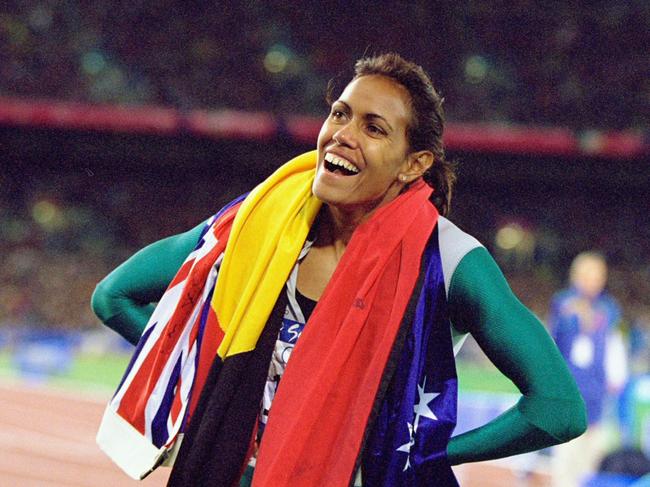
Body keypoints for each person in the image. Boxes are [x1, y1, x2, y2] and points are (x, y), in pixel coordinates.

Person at [92, 53, 586, 487]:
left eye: (374, 128)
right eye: (340, 114)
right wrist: (208, 382)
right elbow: (113, 296)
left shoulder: (450, 260)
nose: (343, 135)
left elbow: (558, 409)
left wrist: (417, 453)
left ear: (413, 164)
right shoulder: (260, 222)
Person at [550, 251, 627, 487]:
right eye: (588, 275)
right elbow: (554, 344)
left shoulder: (608, 307)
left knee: (591, 466)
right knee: (565, 465)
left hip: (597, 396)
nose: (593, 281)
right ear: (576, 276)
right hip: (569, 395)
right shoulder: (563, 303)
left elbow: (612, 343)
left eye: (598, 276)